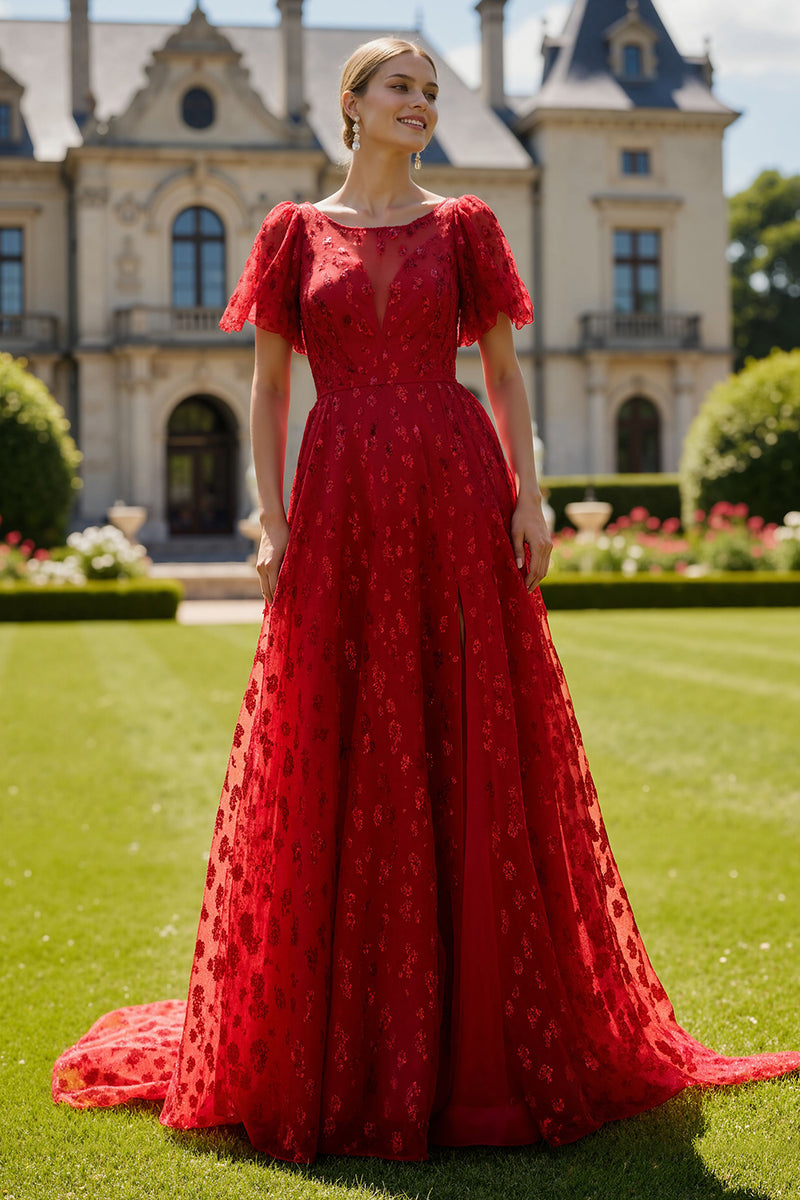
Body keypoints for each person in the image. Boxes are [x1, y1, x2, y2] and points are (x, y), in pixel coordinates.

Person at [53, 37, 799, 1165]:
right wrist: (271, 519)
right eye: (400, 88)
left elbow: (500, 374)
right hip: (340, 488)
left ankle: (476, 1033)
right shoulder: (289, 232)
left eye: (431, 91)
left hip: (456, 487)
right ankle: (349, 1032)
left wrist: (531, 500)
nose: (421, 103)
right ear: (348, 106)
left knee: (469, 733)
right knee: (341, 738)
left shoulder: (468, 227)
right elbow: (264, 388)